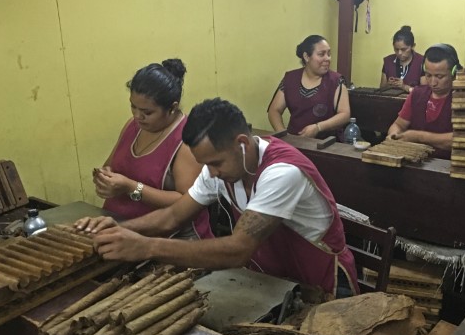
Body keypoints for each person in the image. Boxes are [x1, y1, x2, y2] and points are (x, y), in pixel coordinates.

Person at [76, 98, 359, 297]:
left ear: (242, 144)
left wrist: (146, 247)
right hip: (272, 281)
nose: (210, 172)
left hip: (322, 284)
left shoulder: (282, 173)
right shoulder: (220, 168)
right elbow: (173, 216)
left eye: (215, 163)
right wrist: (117, 231)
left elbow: (238, 250)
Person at [94, 58, 213, 239]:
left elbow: (186, 201)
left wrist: (130, 187)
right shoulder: (131, 126)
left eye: (147, 112)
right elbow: (110, 165)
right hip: (121, 226)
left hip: (170, 238)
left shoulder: (187, 139)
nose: (137, 116)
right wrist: (105, 178)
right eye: (133, 107)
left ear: (172, 108)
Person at [267, 35, 350, 139]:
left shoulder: (336, 81)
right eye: (321, 54)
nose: (327, 58)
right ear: (306, 57)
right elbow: (274, 110)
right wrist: (283, 135)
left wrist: (318, 127)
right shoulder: (290, 79)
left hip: (326, 145)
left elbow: (344, 114)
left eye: (329, 54)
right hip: (295, 143)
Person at [387, 44, 461, 159]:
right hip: (415, 161)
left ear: (454, 73)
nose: (432, 82)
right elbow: (399, 124)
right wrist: (393, 135)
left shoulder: (462, 99)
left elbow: (460, 139)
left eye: (439, 76)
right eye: (428, 75)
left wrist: (419, 137)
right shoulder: (417, 94)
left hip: (447, 166)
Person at [380, 25, 423, 92]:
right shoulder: (388, 61)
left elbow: (425, 92)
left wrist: (404, 87)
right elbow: (381, 89)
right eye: (396, 49)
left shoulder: (421, 62)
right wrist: (388, 85)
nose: (399, 53)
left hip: (413, 101)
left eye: (404, 49)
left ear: (413, 46)